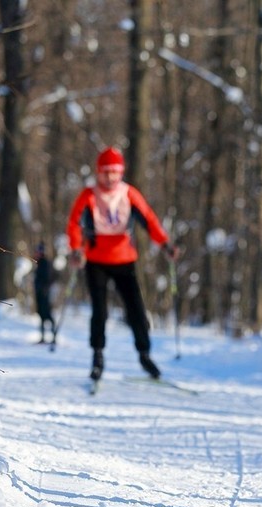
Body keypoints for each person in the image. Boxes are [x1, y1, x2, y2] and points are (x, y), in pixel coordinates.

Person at [66, 146, 179, 381]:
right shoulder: (88, 195)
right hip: (96, 260)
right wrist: (76, 249)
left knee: (136, 310)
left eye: (115, 172)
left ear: (121, 172)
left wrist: (165, 244)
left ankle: (144, 354)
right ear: (98, 173)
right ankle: (97, 355)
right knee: (100, 311)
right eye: (106, 172)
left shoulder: (128, 194)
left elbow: (149, 220)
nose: (110, 177)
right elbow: (74, 223)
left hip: (124, 260)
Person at [33, 241, 56, 343]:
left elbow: (49, 278)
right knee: (42, 315)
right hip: (40, 293)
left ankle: (53, 336)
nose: (36, 253)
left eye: (38, 251)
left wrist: (44, 289)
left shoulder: (45, 263)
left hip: (44, 294)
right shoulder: (39, 263)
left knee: (47, 315)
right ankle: (43, 337)